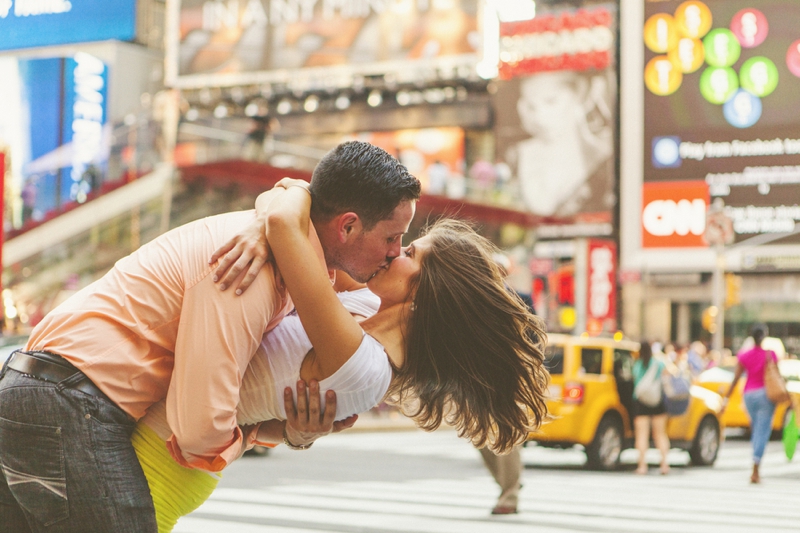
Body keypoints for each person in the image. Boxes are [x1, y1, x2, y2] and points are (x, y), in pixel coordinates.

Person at [0, 140, 421, 532]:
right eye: (392, 237)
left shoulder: (279, 252)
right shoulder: (247, 269)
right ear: (346, 227)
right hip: (71, 402)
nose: (395, 252)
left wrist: (287, 430)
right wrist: (269, 435)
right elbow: (199, 430)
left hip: (48, 391)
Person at [137, 183, 550, 531]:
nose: (394, 252)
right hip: (170, 442)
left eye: (409, 253)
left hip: (159, 463)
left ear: (426, 292)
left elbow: (286, 222)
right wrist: (293, 433)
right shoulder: (366, 309)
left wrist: (290, 194)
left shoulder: (362, 361)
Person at [507, 70, 614, 217]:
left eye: (551, 101)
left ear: (578, 96)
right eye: (531, 106)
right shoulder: (517, 155)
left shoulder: (603, 159)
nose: (540, 116)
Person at [722, 324, 778, 484]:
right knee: (762, 431)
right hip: (765, 395)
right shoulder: (770, 354)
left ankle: (755, 460)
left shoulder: (744, 355)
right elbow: (776, 375)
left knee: (756, 428)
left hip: (749, 395)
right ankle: (756, 468)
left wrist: (726, 398)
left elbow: (736, 378)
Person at [632, 342, 670, 475]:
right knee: (660, 434)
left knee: (642, 435)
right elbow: (667, 380)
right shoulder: (659, 364)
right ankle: (664, 464)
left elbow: (634, 381)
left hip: (641, 403)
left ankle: (642, 466)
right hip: (657, 402)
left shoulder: (637, 365)